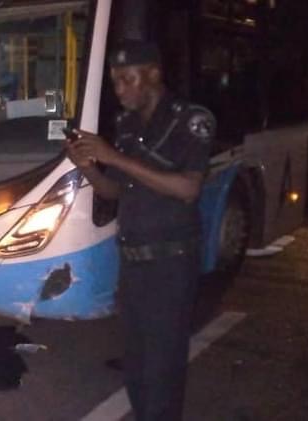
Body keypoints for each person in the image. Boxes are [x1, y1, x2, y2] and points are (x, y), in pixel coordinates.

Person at [66, 40, 215, 421]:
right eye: (115, 82)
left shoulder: (191, 120)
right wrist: (87, 165)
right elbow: (113, 191)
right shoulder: (127, 126)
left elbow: (188, 188)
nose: (119, 90)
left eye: (126, 79)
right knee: (136, 366)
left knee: (162, 369)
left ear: (153, 74)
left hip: (170, 264)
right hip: (133, 264)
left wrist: (114, 156)